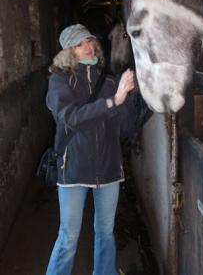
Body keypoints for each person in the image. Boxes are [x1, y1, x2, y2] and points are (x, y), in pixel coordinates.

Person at [45, 23, 135, 275]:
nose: (87, 47)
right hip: (73, 169)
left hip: (108, 168)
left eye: (89, 41)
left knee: (105, 232)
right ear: (68, 51)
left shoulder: (107, 80)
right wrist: (113, 101)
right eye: (79, 44)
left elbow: (124, 127)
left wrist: (129, 98)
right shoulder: (60, 81)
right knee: (68, 237)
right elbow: (70, 117)